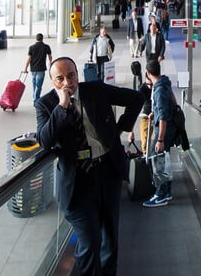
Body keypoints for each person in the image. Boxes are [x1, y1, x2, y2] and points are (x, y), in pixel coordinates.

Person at [36, 57, 143, 276]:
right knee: (90, 242)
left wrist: (120, 128)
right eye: (60, 78)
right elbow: (44, 140)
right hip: (77, 182)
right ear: (52, 81)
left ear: (78, 74)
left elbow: (137, 98)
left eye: (71, 75)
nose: (67, 82)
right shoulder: (45, 104)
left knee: (110, 238)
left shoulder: (95, 90)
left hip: (107, 172)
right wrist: (62, 106)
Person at [140, 59, 176, 207]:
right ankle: (166, 192)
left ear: (148, 74)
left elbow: (163, 117)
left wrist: (160, 139)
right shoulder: (164, 83)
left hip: (164, 131)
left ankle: (160, 195)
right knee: (164, 159)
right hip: (169, 127)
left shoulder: (159, 90)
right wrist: (154, 113)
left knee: (157, 159)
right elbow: (169, 104)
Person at [23, 33, 53, 104]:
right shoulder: (46, 46)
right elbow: (50, 56)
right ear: (42, 38)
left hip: (33, 69)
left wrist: (25, 68)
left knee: (34, 85)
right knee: (38, 86)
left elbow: (29, 59)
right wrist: (50, 62)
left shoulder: (31, 47)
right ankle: (36, 100)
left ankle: (35, 98)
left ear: (36, 39)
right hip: (41, 69)